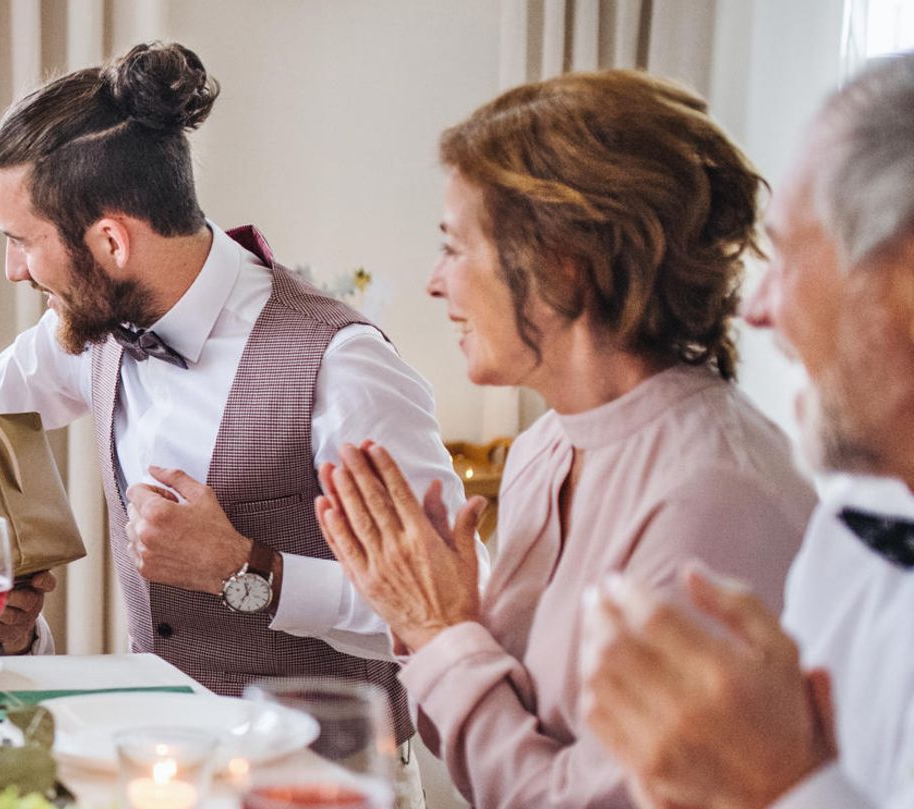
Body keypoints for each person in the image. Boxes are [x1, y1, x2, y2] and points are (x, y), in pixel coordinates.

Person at [0, 41, 466, 798]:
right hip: (157, 770)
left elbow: (450, 593)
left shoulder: (342, 363)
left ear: (111, 240)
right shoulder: (92, 330)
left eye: (22, 243)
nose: (13, 271)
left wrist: (246, 568)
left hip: (320, 777)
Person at [314, 70, 816, 809]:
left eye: (455, 247)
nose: (434, 282)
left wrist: (439, 631)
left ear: (562, 264)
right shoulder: (545, 446)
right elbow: (491, 739)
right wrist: (435, 623)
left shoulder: (714, 498)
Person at [581, 52, 914, 809]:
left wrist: (778, 788)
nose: (756, 308)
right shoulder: (853, 541)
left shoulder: (718, 483)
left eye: (789, 253)